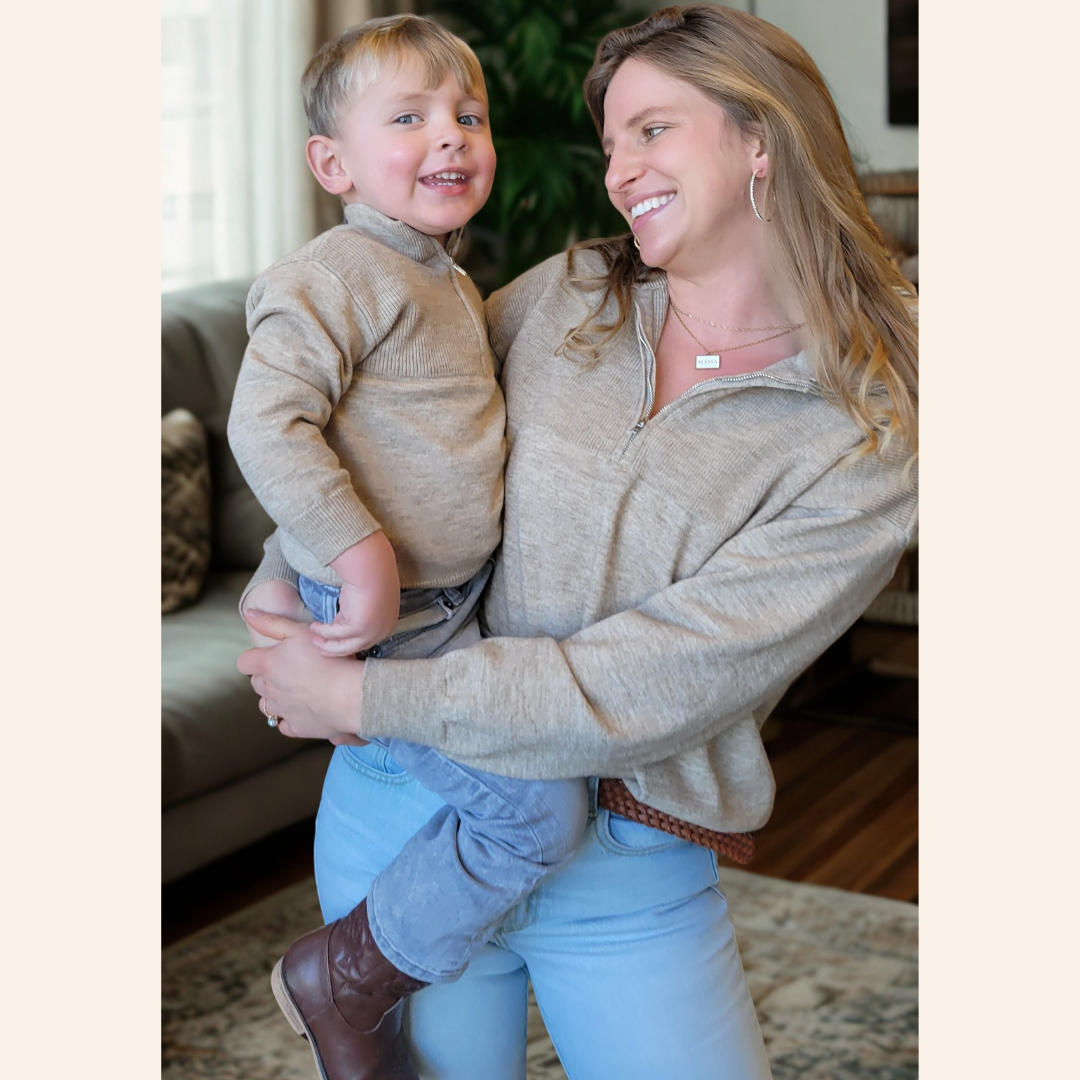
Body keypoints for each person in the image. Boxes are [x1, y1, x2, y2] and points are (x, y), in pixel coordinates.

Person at [239, 5, 919, 1079]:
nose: (616, 171)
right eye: (610, 144)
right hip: (398, 820)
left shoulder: (864, 427)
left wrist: (367, 698)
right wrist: (287, 583)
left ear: (762, 136)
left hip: (625, 872)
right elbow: (383, 442)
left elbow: (667, 675)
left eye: (651, 130)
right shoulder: (563, 299)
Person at [226, 16, 589, 1080]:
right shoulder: (334, 272)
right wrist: (353, 557)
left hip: (445, 611)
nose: (452, 135)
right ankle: (348, 976)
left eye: (467, 114)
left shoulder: (445, 279)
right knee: (538, 813)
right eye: (411, 116)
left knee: (535, 764)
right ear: (331, 163)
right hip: (392, 625)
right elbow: (267, 423)